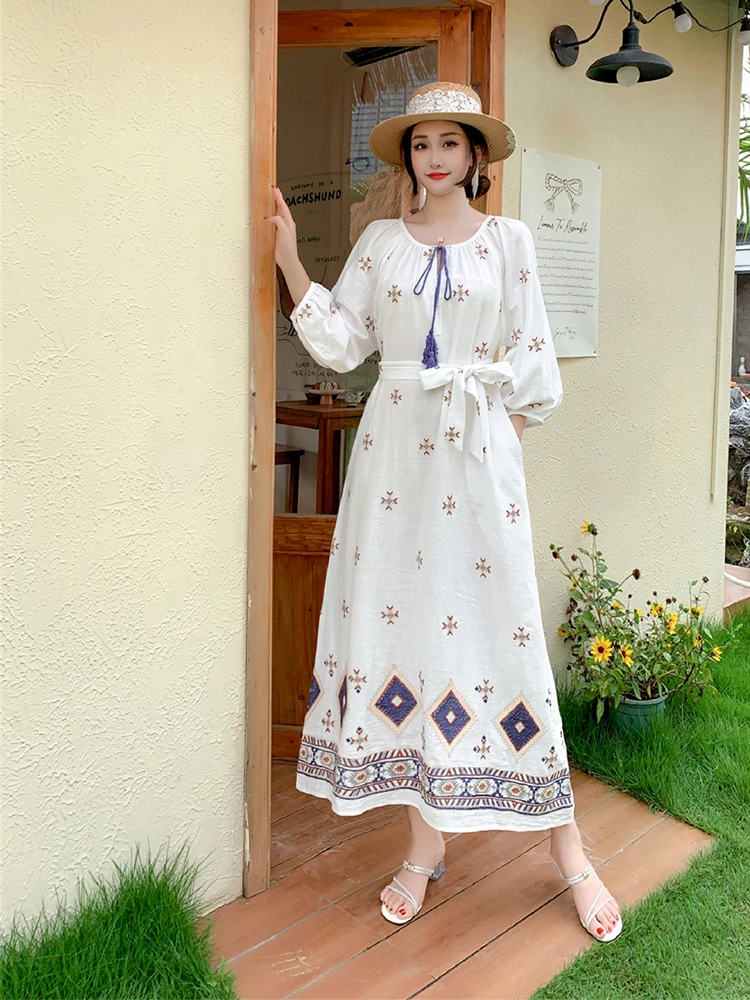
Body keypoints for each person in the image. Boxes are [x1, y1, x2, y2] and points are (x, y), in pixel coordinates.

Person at [267, 82, 622, 943]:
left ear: (475, 156)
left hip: (476, 458)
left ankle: (570, 849)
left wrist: (497, 454)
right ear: (409, 155)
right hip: (392, 461)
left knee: (505, 635)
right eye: (421, 143)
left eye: (449, 143)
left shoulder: (510, 242)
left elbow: (533, 367)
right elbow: (344, 342)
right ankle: (424, 847)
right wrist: (290, 261)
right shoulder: (380, 242)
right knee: (406, 634)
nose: (434, 157)